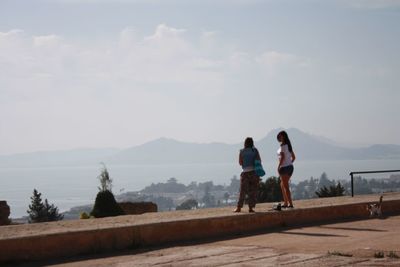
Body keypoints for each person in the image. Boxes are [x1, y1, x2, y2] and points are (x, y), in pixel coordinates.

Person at [234, 137, 261, 213]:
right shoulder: (255, 151)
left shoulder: (242, 151)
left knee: (243, 191)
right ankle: (251, 208)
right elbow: (259, 160)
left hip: (245, 173)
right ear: (252, 143)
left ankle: (239, 208)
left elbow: (240, 163)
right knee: (252, 191)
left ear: (245, 143)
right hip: (254, 173)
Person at [277, 130, 296, 208]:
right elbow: (294, 157)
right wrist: (289, 163)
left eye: (280, 136)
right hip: (290, 167)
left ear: (283, 136)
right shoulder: (289, 145)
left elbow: (282, 157)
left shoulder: (283, 146)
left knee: (285, 186)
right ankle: (285, 203)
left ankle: (290, 204)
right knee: (282, 185)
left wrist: (279, 166)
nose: (279, 138)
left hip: (284, 168)